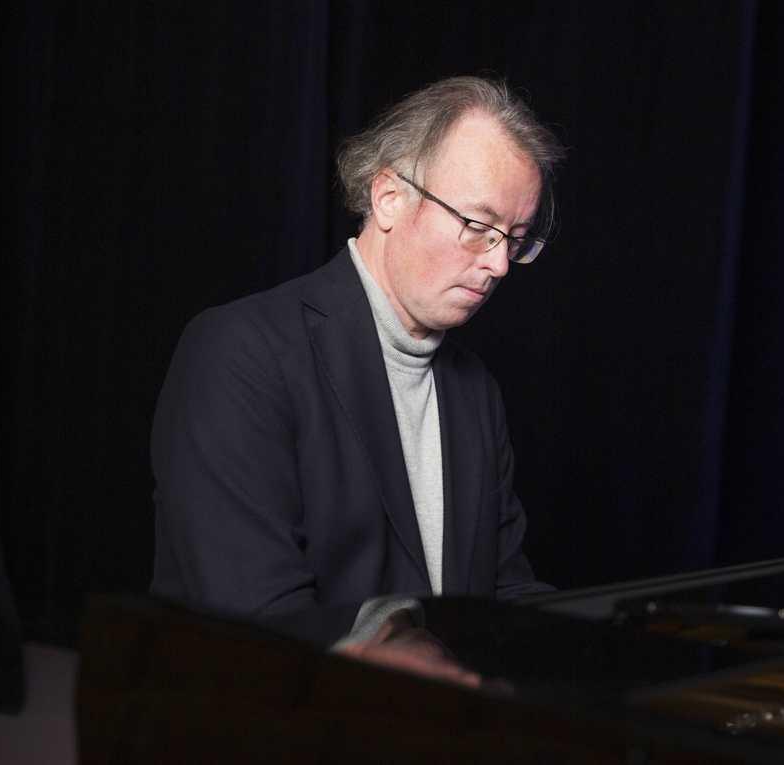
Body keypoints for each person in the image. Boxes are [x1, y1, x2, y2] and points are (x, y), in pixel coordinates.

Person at [149, 76, 563, 661]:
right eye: (478, 226)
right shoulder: (238, 352)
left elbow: (503, 593)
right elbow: (251, 616)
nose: (498, 264)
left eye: (515, 239)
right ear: (389, 196)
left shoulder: (475, 392)